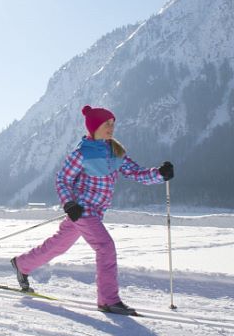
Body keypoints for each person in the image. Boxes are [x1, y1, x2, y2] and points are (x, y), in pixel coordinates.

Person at [11, 105, 174, 315]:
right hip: (82, 210)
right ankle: (108, 300)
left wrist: (159, 174)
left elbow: (135, 173)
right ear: (94, 126)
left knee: (59, 245)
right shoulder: (82, 154)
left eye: (113, 123)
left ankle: (22, 264)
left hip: (95, 212)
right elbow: (63, 179)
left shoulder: (115, 151)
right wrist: (69, 203)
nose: (111, 127)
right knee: (105, 247)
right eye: (107, 123)